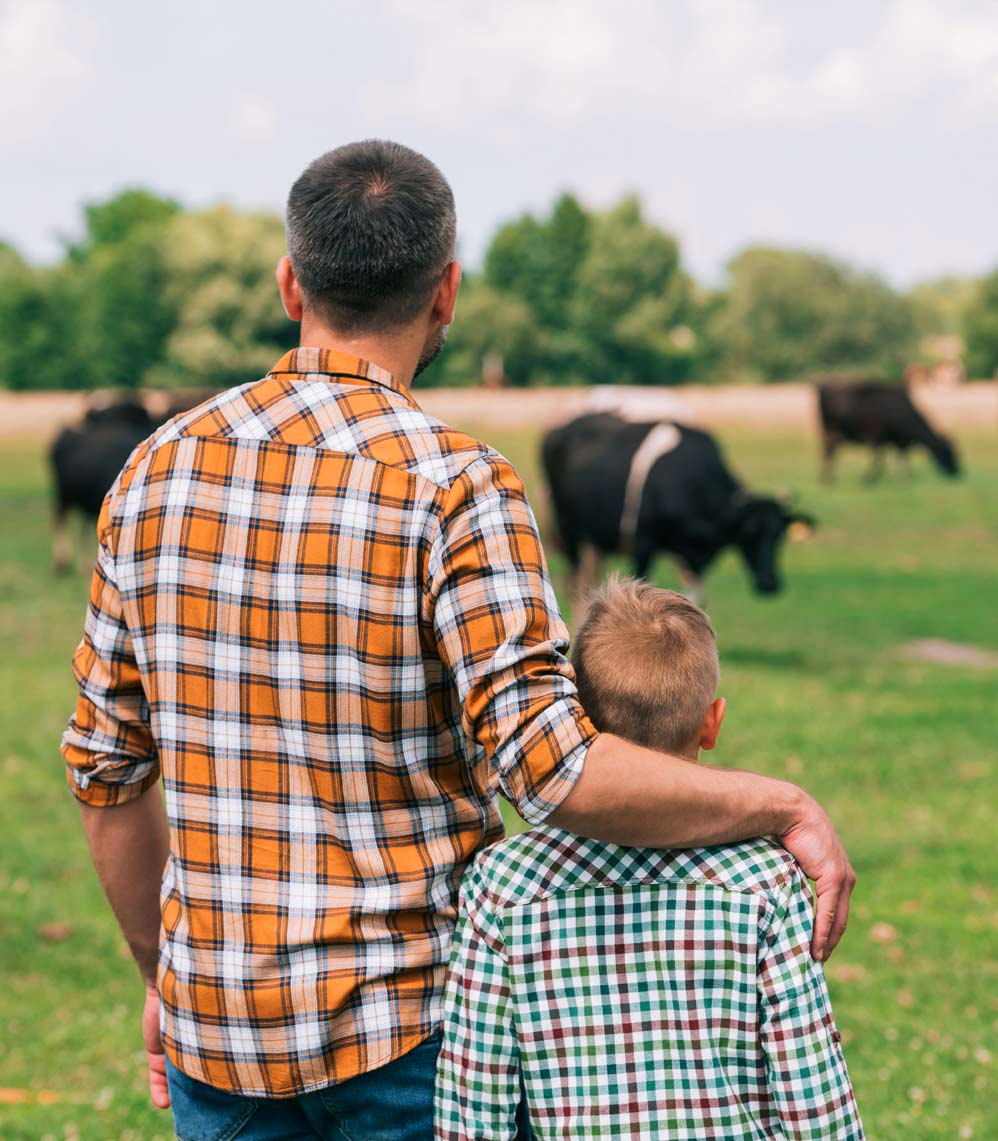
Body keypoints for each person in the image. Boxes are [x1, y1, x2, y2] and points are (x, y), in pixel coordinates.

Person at [61, 140, 854, 1140]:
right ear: (447, 292)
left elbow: (106, 772)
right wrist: (780, 803)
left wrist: (160, 974)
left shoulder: (150, 474)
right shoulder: (458, 486)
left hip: (215, 1036)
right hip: (420, 1043)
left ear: (289, 281)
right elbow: (549, 768)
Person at [437, 577, 864, 1139]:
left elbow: (474, 1100)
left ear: (578, 720)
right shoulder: (767, 881)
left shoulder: (503, 884)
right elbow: (814, 1100)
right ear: (712, 723)